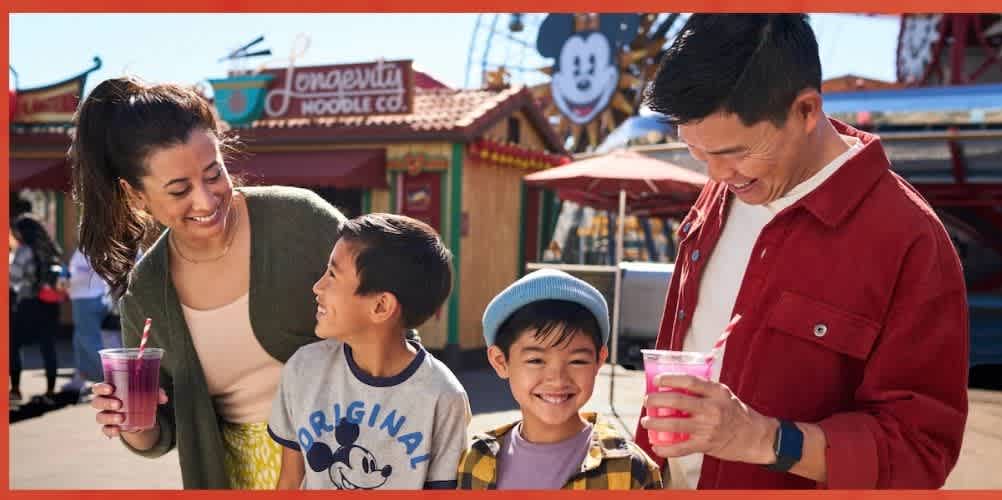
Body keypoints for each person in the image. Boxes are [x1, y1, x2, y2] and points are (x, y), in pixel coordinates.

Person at [634, 14, 968, 489]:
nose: (715, 175)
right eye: (696, 153)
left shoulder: (911, 240)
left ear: (807, 110)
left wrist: (764, 440)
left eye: (735, 152)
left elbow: (920, 450)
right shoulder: (727, 185)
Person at [72, 76, 346, 489]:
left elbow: (393, 321)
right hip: (234, 476)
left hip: (351, 458)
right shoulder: (147, 294)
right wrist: (129, 423)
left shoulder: (301, 221)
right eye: (179, 190)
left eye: (213, 173)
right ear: (136, 195)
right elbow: (160, 431)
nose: (205, 200)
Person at [268, 213, 470, 490]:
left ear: (381, 307)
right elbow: (290, 481)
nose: (318, 287)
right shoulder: (303, 369)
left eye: (332, 275)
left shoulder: (444, 397)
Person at [458, 269, 662, 490]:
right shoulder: (476, 461)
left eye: (577, 361)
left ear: (599, 360)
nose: (557, 378)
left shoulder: (631, 470)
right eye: (536, 360)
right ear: (500, 361)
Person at [9, 216, 64, 404]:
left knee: (13, 346)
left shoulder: (23, 252)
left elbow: (13, 280)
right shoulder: (52, 249)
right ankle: (50, 392)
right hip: (50, 305)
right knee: (48, 347)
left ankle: (15, 390)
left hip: (27, 305)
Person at [62, 248, 111, 394]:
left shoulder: (91, 249)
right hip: (90, 298)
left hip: (86, 299)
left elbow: (81, 276)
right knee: (80, 339)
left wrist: (65, 280)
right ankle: (81, 377)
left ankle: (113, 378)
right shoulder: (91, 248)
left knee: (89, 341)